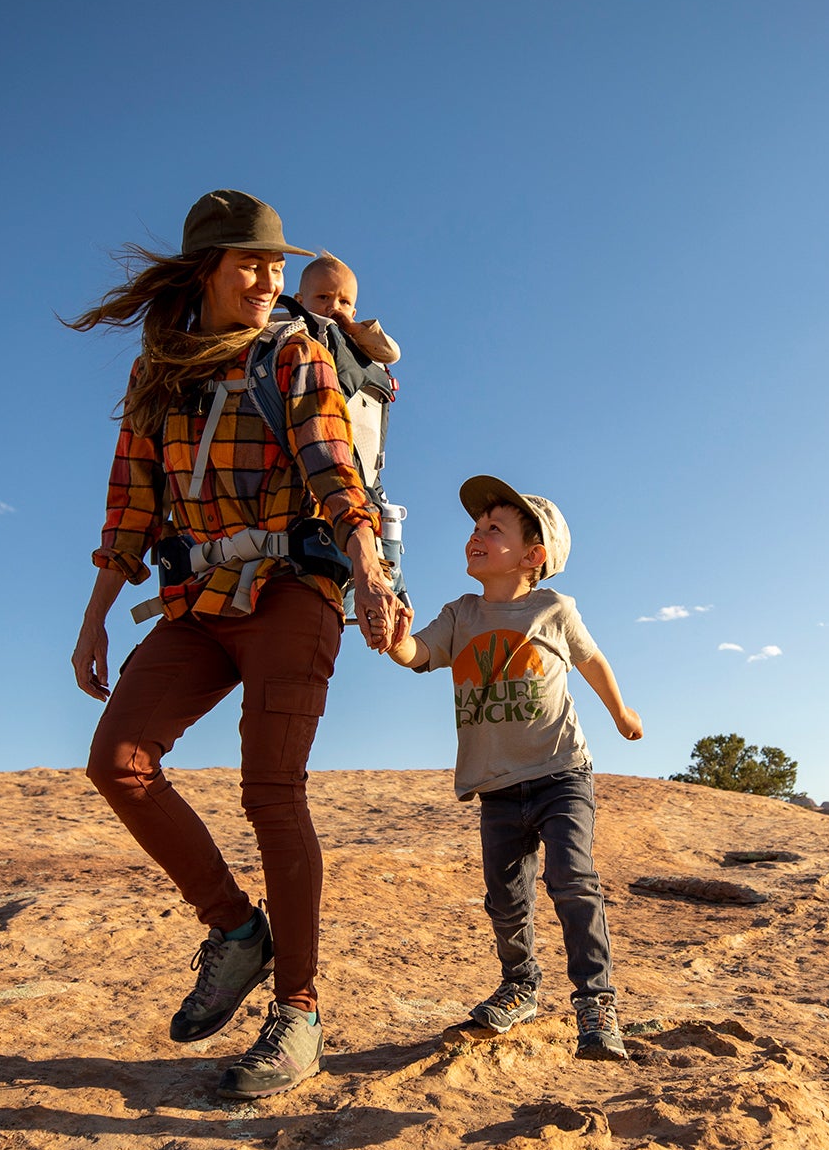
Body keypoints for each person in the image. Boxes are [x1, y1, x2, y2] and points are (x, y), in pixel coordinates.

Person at [67, 189, 399, 1100]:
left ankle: (298, 1011)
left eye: (276, 266)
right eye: (249, 263)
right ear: (205, 269)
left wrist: (367, 568)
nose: (266, 280)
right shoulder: (156, 377)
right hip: (199, 599)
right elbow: (130, 504)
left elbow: (333, 462)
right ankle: (235, 930)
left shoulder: (293, 352)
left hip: (295, 588)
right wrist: (96, 612)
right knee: (118, 759)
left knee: (271, 792)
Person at [381, 475, 643, 1061]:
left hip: (560, 773)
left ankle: (596, 1004)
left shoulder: (553, 608)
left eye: (492, 529)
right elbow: (416, 655)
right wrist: (390, 630)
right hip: (496, 786)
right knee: (504, 898)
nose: (476, 535)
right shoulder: (460, 613)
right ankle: (521, 985)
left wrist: (621, 712)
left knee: (571, 879)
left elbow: (591, 658)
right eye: (475, 528)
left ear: (533, 556)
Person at [295, 253, 402, 366]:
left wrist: (355, 328)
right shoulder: (288, 329)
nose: (334, 306)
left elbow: (391, 354)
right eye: (323, 297)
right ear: (299, 302)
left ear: (353, 313)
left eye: (344, 302)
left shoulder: (357, 342)